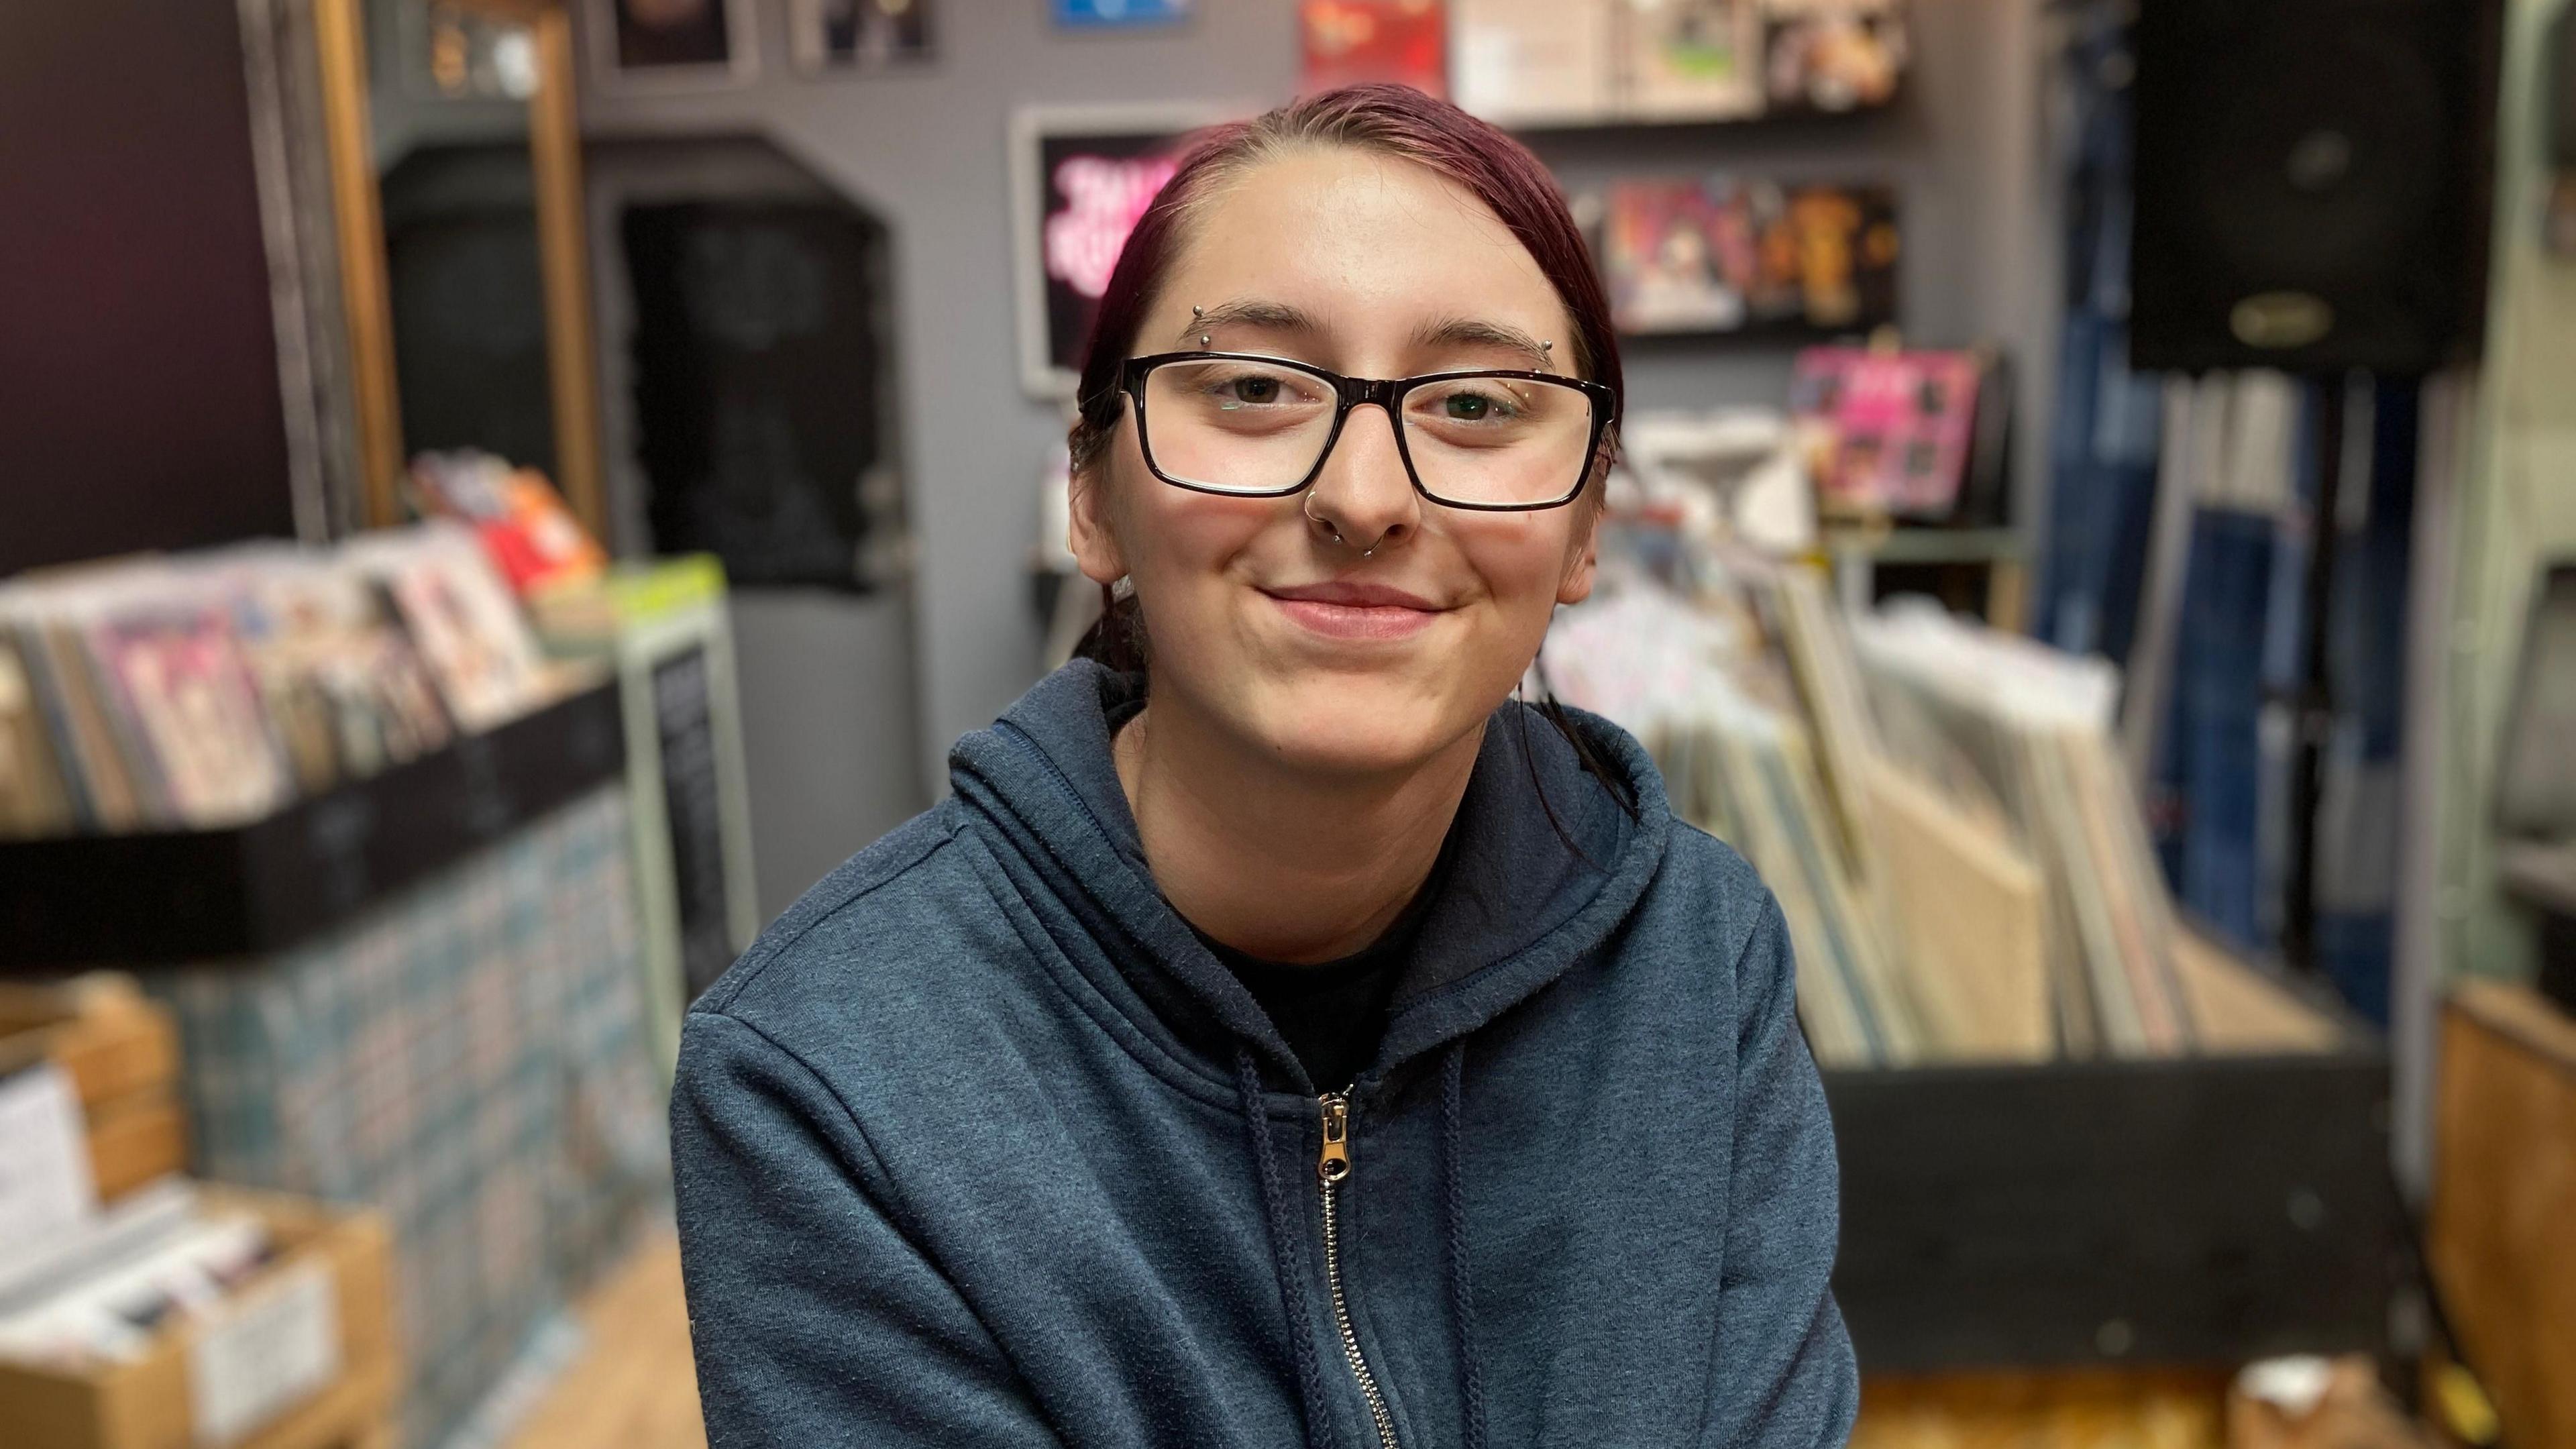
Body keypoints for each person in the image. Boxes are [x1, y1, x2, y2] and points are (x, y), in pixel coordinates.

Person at [672, 83, 1858, 1448]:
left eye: (1476, 403)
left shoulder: (1697, 961)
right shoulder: (827, 1080)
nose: (1364, 498)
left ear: (1586, 528)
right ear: (1093, 493)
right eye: (1252, 389)